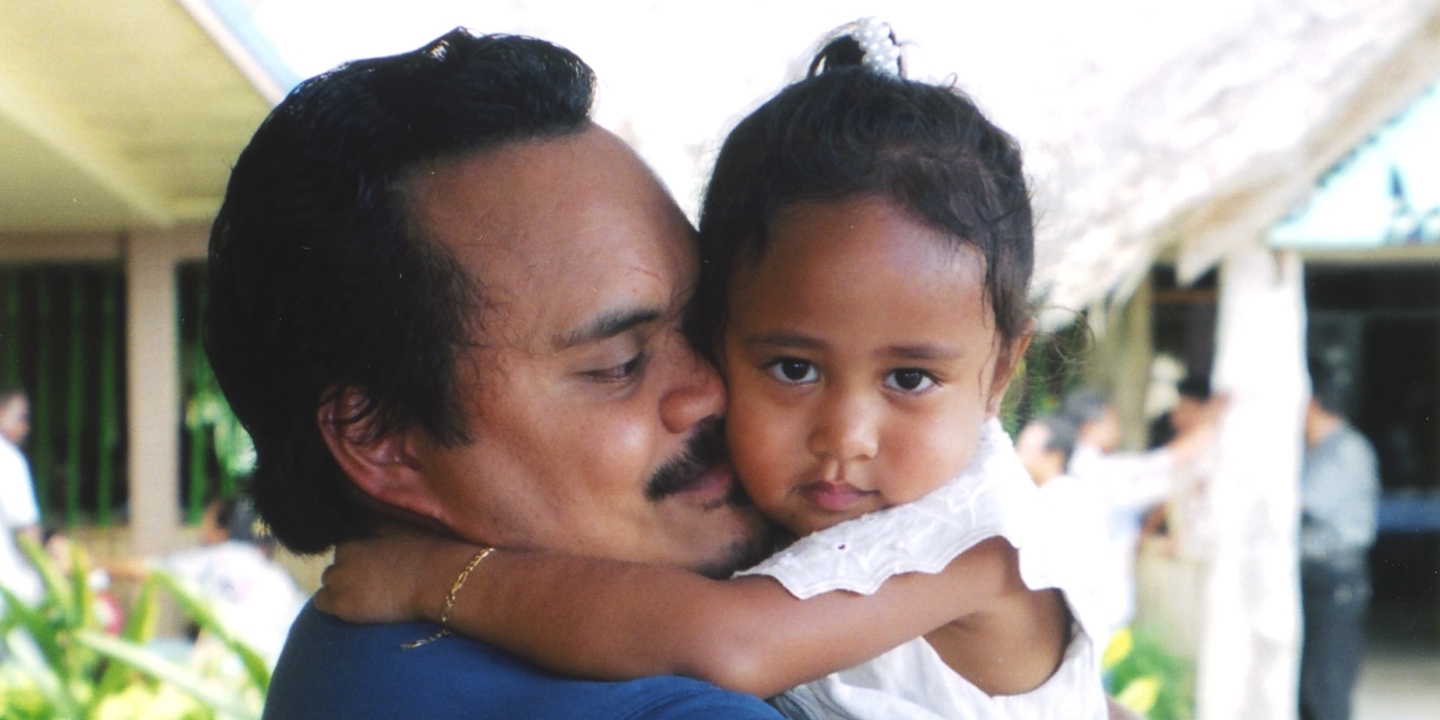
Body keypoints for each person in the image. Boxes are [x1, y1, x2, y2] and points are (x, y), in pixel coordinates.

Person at [319, 21, 1109, 720]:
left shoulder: (969, 539)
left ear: (1001, 370)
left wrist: (438, 582)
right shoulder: (822, 514)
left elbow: (727, 644)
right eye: (794, 367)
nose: (845, 435)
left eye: (908, 380)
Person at [207, 29, 781, 720]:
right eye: (618, 365)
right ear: (379, 439)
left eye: (704, 322)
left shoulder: (343, 657)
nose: (711, 390)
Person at [102, 496, 306, 664]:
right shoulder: (280, 577)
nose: (202, 531)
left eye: (206, 522)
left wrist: (84, 565)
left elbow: (145, 570)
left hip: (225, 670)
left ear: (222, 530)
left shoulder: (218, 557)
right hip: (274, 675)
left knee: (133, 658)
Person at [1298, 360, 1379, 720]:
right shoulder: (1314, 450)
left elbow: (1302, 506)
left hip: (1333, 581)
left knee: (1326, 689)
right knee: (1305, 688)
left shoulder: (1346, 450)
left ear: (1310, 402)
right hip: (1311, 580)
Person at [0, 384, 42, 605]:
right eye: (21, 418)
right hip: (9, 590)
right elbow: (26, 530)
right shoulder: (8, 459)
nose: (25, 427)